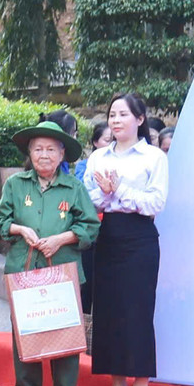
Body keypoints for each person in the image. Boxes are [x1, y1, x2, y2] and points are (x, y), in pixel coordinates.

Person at [0, 121, 100, 386]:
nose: (44, 155)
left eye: (51, 149)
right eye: (38, 149)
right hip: (24, 268)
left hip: (63, 268)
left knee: (64, 328)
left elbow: (90, 226)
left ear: (62, 155)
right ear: (30, 153)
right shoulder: (15, 185)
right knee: (26, 330)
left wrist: (62, 239)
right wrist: (20, 230)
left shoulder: (74, 188)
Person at [83, 92, 168, 386]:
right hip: (107, 236)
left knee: (137, 311)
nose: (116, 120)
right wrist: (106, 195)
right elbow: (89, 199)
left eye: (123, 114)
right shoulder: (99, 158)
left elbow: (155, 203)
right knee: (108, 311)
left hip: (140, 238)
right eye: (112, 115)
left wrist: (118, 190)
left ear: (140, 119)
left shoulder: (153, 158)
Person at [75, 119, 111, 312]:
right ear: (96, 142)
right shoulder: (86, 165)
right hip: (91, 232)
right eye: (107, 139)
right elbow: (86, 198)